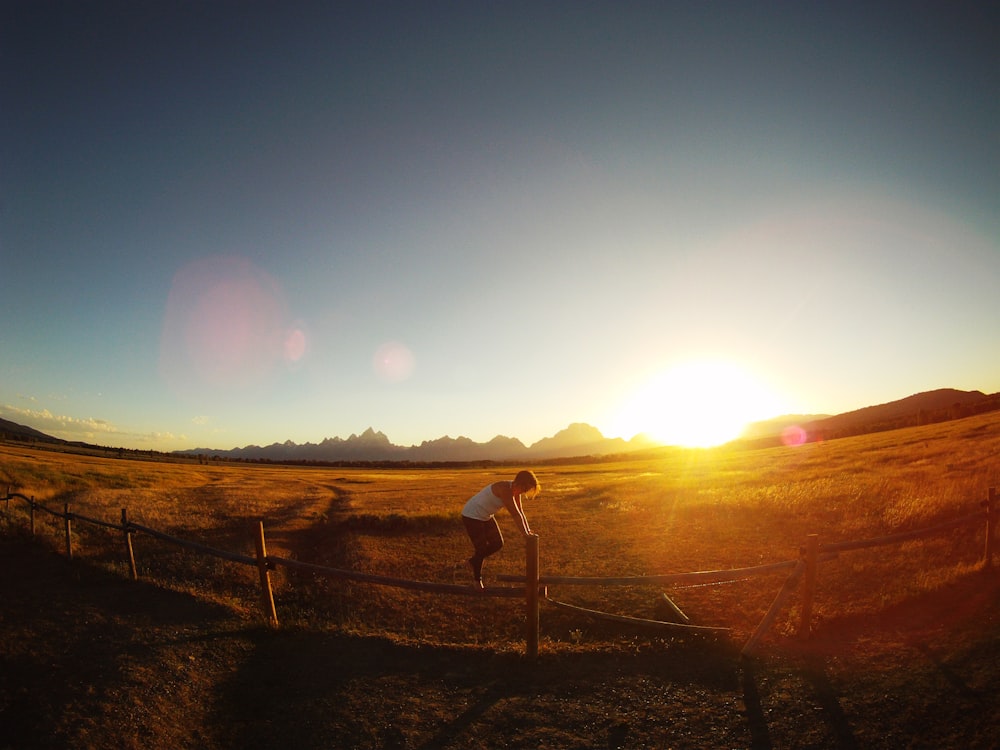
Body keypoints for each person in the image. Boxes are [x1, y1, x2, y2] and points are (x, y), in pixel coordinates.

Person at [461, 469, 540, 590]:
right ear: (519, 483)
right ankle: (477, 580)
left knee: (497, 543)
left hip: (485, 515)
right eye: (525, 489)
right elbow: (515, 515)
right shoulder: (505, 490)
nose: (524, 492)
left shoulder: (515, 491)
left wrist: (528, 531)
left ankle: (473, 561)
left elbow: (520, 512)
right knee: (481, 548)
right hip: (471, 515)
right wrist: (525, 534)